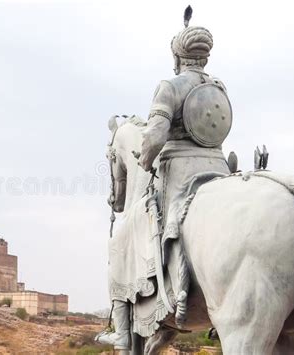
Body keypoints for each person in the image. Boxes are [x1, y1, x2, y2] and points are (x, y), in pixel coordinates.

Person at [97, 11, 232, 350]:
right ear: (205, 56)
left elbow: (154, 137)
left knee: (121, 242)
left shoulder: (170, 86)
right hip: (218, 168)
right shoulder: (219, 86)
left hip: (177, 174)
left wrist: (144, 158)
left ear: (177, 57)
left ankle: (124, 338)